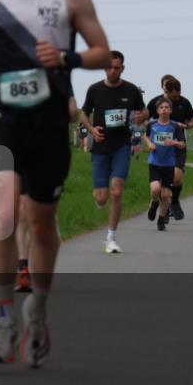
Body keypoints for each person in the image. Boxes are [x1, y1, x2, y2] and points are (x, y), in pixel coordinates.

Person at [0, 0, 110, 368]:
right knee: (6, 214)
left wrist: (67, 56)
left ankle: (38, 310)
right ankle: (5, 320)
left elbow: (102, 51)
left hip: (47, 121)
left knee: (43, 224)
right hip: (1, 114)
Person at [80, 50, 145, 253]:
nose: (113, 71)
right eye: (109, 67)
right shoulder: (95, 90)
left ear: (122, 68)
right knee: (101, 198)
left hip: (121, 147)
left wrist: (141, 117)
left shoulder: (131, 90)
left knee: (117, 192)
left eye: (117, 68)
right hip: (100, 147)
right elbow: (83, 113)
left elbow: (144, 111)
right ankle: (101, 200)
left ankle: (111, 237)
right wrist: (92, 130)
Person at [144, 76, 193, 221]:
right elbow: (146, 120)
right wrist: (151, 129)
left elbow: (192, 120)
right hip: (159, 150)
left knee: (177, 178)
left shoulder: (184, 102)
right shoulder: (155, 102)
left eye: (177, 94)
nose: (175, 97)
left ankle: (175, 201)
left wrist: (185, 126)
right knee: (160, 185)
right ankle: (163, 210)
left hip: (177, 145)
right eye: (172, 95)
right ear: (165, 90)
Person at [145, 98, 186, 231]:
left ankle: (161, 220)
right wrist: (150, 144)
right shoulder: (151, 125)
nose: (164, 109)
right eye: (161, 107)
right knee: (156, 189)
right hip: (155, 162)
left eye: (166, 107)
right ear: (157, 110)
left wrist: (174, 143)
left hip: (169, 165)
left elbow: (182, 144)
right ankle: (154, 203)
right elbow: (144, 136)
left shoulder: (175, 126)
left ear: (170, 110)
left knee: (166, 195)